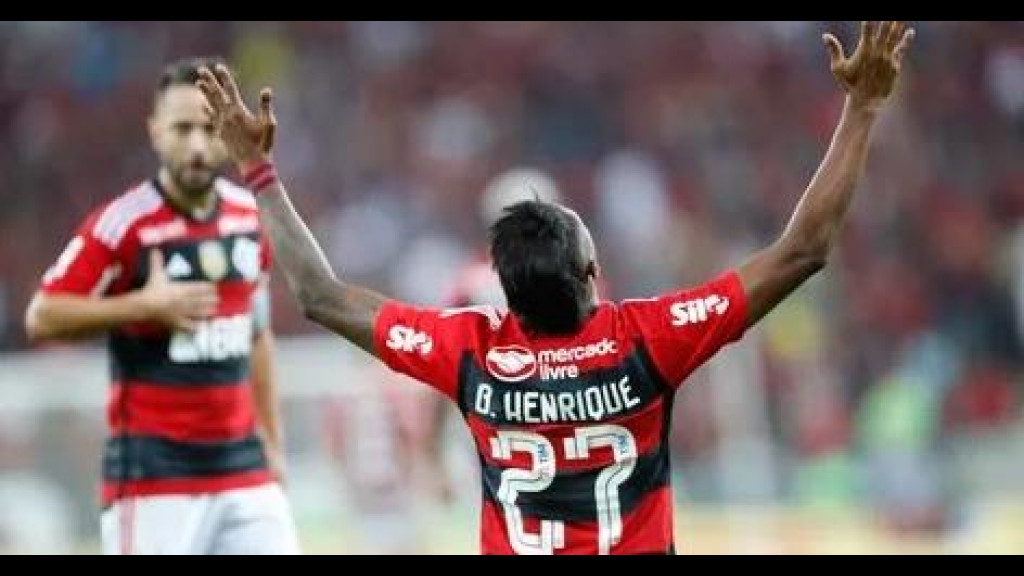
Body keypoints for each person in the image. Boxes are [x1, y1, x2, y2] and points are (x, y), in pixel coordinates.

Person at [197, 21, 914, 554]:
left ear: (505, 297)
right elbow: (803, 251)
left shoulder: (471, 350)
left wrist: (259, 172)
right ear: (593, 274)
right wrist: (862, 111)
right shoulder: (647, 339)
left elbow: (321, 295)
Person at [24, 58, 299, 555]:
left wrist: (273, 443)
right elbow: (42, 316)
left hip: (243, 471)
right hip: (154, 479)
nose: (197, 145)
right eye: (182, 129)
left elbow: (257, 333)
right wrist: (140, 306)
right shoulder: (124, 224)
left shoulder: (249, 217)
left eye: (209, 129)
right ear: (155, 131)